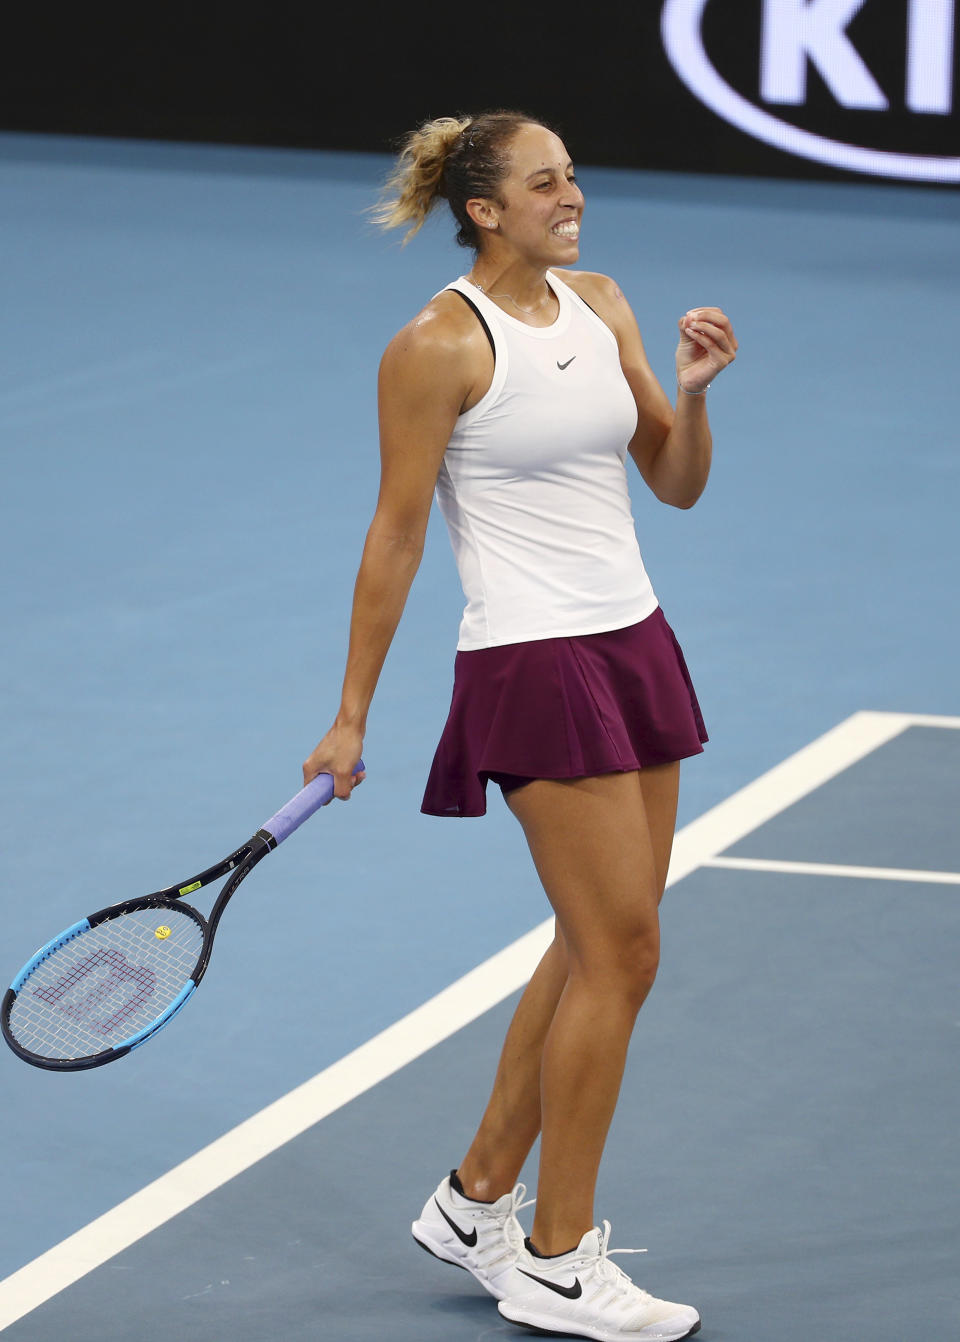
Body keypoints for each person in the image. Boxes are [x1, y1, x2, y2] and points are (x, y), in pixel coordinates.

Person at [303, 109, 737, 1342]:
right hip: (534, 660)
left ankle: (476, 1193)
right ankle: (556, 1256)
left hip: (635, 640)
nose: (574, 195)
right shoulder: (436, 345)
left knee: (604, 939)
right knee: (624, 952)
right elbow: (393, 537)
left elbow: (675, 479)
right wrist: (350, 715)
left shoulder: (603, 303)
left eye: (574, 176)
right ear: (485, 210)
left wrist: (692, 398)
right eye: (547, 183)